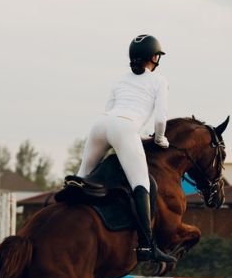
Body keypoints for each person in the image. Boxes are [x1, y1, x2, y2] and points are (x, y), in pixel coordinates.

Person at [71, 34, 174, 263]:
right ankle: (147, 246)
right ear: (154, 57)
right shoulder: (159, 81)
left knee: (83, 174)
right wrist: (159, 139)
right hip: (125, 129)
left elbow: (110, 110)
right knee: (142, 184)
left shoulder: (120, 80)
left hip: (101, 125)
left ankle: (67, 206)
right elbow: (160, 120)